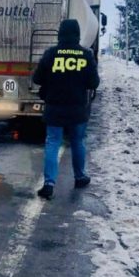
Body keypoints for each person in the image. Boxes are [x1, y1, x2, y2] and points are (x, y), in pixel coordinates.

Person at [32, 18, 100, 200]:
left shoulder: (51, 54)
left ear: (60, 34)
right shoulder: (86, 55)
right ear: (78, 34)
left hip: (54, 107)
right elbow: (94, 82)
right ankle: (79, 177)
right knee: (78, 142)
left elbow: (37, 79)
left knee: (53, 143)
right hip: (78, 108)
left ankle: (49, 183)